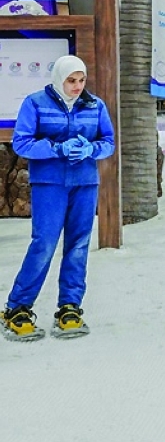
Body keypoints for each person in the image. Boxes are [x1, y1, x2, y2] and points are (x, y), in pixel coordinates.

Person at [2, 55, 115, 341]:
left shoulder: (95, 105)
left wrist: (91, 149)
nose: (77, 87)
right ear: (59, 79)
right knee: (44, 243)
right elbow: (22, 142)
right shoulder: (36, 102)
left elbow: (108, 143)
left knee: (78, 245)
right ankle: (17, 307)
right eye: (71, 81)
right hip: (50, 183)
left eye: (81, 80)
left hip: (85, 183)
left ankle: (70, 307)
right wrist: (56, 148)